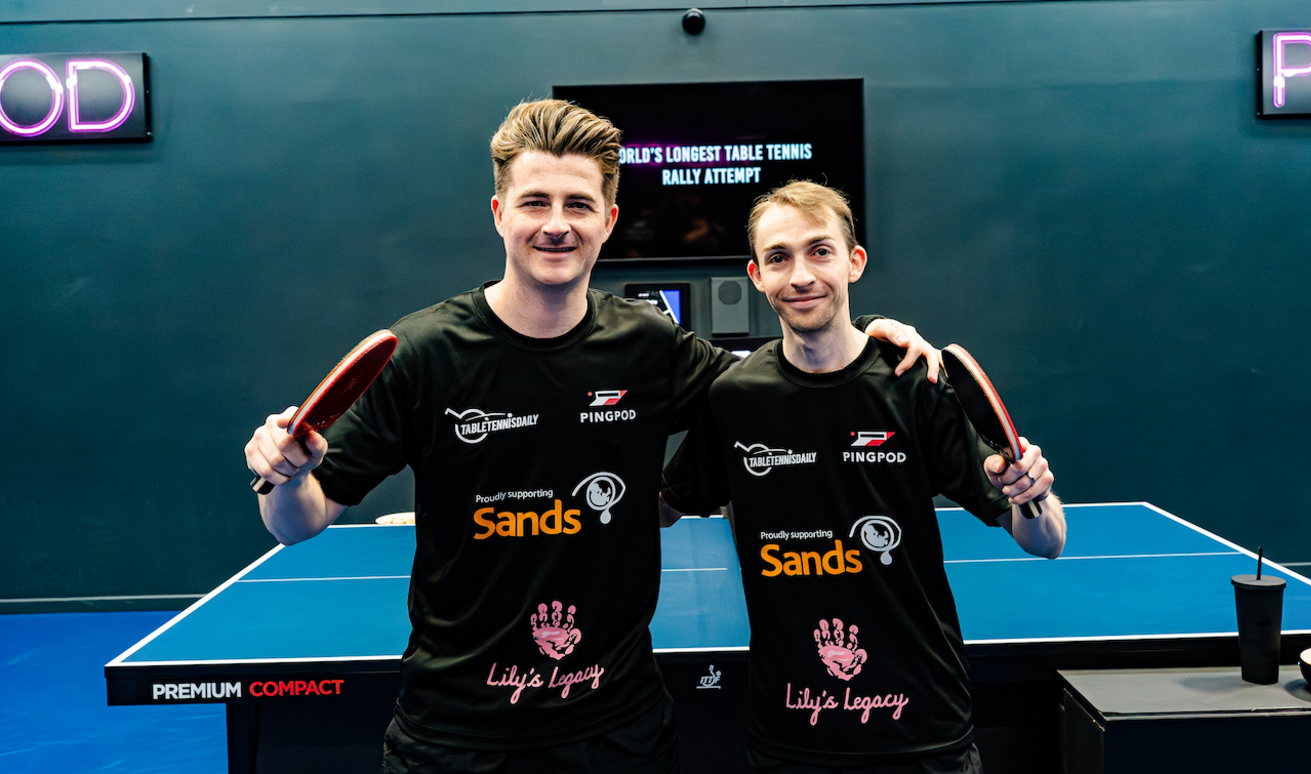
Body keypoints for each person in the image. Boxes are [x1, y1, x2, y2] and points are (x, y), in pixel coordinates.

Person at [243, 101, 941, 774]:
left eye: (577, 205)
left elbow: (781, 388)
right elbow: (297, 524)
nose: (556, 225)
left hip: (617, 733)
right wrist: (287, 475)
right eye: (534, 202)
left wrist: (870, 343)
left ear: (607, 221)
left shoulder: (646, 345)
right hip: (455, 735)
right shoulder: (425, 354)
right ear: (499, 214)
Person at [659, 181, 1067, 774]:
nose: (801, 275)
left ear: (854, 262)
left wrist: (1034, 493)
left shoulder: (913, 384)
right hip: (793, 733)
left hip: (921, 728)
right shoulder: (735, 400)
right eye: (779, 257)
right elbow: (657, 508)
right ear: (756, 275)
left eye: (820, 251)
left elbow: (1046, 540)